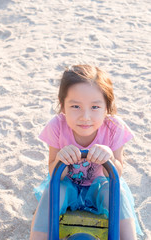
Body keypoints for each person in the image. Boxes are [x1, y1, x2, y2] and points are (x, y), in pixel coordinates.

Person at [30, 65, 143, 240]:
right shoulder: (57, 126)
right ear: (62, 105)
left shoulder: (114, 128)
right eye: (75, 106)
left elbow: (116, 173)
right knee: (51, 193)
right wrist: (61, 160)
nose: (85, 116)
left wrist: (109, 157)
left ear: (107, 106)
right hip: (67, 184)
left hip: (99, 185)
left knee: (117, 192)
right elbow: (54, 173)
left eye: (95, 107)